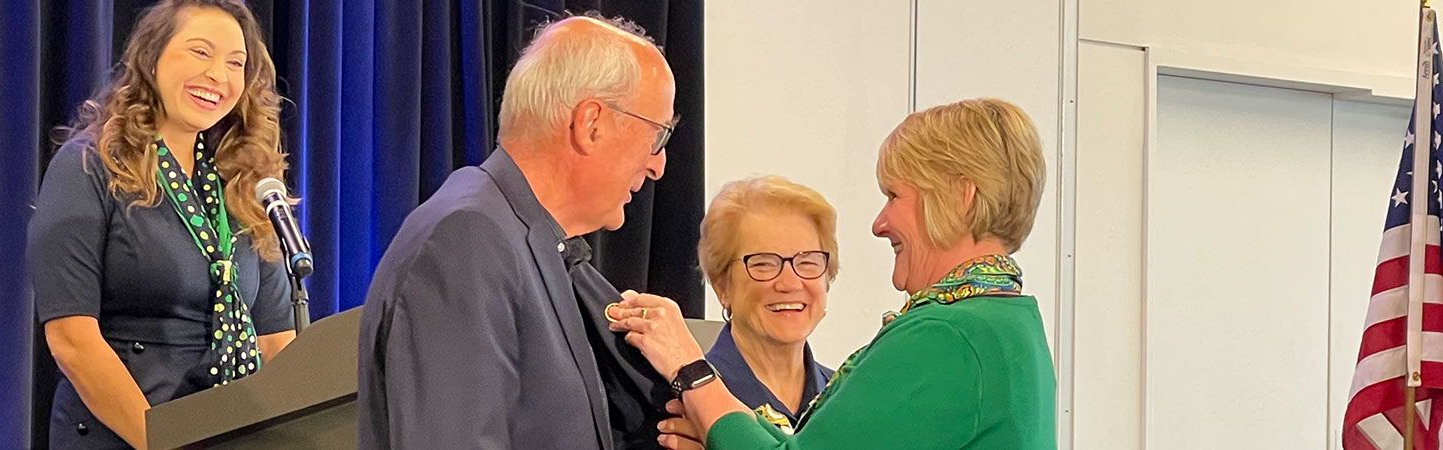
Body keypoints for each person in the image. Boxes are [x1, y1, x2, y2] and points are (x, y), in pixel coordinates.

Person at [611, 98, 1057, 449]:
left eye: (895, 195)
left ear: (961, 197)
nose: (879, 223)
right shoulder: (1006, 322)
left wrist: (692, 371)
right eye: (763, 262)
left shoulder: (950, 333)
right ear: (721, 282)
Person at [355, 15, 680, 450]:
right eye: (657, 136)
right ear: (591, 124)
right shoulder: (466, 240)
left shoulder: (523, 240)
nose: (658, 165)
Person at [28, 1, 294, 448]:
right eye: (200, 52)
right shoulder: (89, 168)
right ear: (151, 58)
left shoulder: (244, 184)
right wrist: (165, 442)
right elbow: (73, 340)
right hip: (126, 435)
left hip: (229, 432)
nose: (218, 75)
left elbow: (276, 340)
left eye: (235, 63)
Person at [696, 176, 838, 430]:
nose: (790, 283)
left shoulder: (848, 398)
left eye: (807, 262)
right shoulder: (688, 404)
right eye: (763, 264)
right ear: (721, 286)